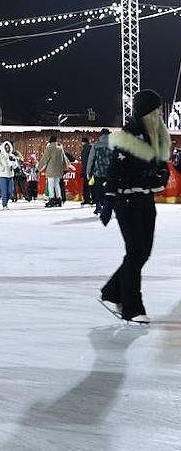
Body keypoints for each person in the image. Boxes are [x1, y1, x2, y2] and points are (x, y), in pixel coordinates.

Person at [99, 90, 171, 324]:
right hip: (126, 200)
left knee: (143, 251)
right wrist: (108, 200)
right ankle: (131, 307)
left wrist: (160, 174)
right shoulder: (129, 135)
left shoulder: (157, 136)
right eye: (156, 109)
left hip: (145, 200)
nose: (160, 112)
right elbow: (115, 170)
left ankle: (112, 292)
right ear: (146, 111)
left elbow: (161, 168)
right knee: (135, 252)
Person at [86, 128, 112, 216]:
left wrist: (88, 172)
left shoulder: (96, 146)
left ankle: (98, 206)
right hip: (110, 173)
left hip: (98, 173)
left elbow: (90, 160)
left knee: (98, 190)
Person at [38, 135, 68, 208]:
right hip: (58, 170)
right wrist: (65, 168)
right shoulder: (60, 149)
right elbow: (64, 159)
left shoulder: (49, 148)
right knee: (57, 185)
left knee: (51, 185)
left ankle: (51, 199)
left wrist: (39, 168)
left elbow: (44, 159)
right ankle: (59, 199)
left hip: (51, 170)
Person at [0, 141, 20, 209]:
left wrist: (13, 164)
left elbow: (16, 165)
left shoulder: (12, 156)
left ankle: (6, 201)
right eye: (6, 147)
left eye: (8, 147)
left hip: (10, 175)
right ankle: (4, 204)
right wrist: (1, 168)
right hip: (2, 175)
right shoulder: (1, 155)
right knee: (4, 190)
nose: (7, 149)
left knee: (10, 190)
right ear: (3, 148)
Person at [79, 136, 94, 207]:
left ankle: (87, 199)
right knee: (92, 185)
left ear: (83, 142)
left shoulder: (85, 149)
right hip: (93, 170)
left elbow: (84, 161)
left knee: (86, 186)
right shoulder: (92, 147)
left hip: (86, 170)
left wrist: (83, 172)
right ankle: (94, 199)